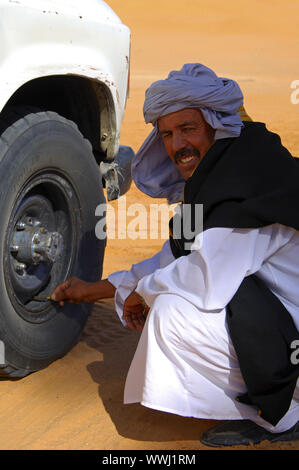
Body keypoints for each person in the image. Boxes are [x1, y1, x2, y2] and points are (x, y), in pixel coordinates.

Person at [51, 64, 299, 447]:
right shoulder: (218, 179)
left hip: (292, 335)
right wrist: (90, 290)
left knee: (172, 312)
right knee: (171, 293)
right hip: (283, 318)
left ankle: (283, 413)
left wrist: (145, 292)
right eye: (166, 134)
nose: (175, 146)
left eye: (188, 129)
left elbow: (206, 278)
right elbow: (173, 259)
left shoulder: (248, 182)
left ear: (216, 125)